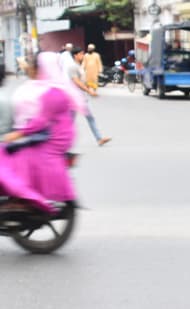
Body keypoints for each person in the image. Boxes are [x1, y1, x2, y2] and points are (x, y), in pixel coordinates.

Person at [0, 53, 78, 214]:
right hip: (46, 133)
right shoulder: (45, 88)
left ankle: (20, 197)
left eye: (32, 66)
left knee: (16, 156)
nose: (29, 68)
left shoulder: (52, 93)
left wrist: (19, 134)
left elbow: (41, 121)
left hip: (51, 137)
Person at [67, 47, 111, 146]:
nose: (83, 55)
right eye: (81, 54)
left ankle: (99, 139)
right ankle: (61, 140)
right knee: (70, 121)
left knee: (90, 117)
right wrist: (89, 91)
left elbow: (82, 81)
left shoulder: (79, 66)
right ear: (75, 55)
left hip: (81, 97)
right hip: (74, 98)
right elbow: (76, 82)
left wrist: (89, 88)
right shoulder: (72, 67)